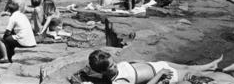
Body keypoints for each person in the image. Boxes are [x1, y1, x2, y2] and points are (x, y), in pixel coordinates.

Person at [88, 50, 223, 84]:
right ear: (104, 71)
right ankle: (213, 70)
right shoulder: (118, 82)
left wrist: (143, 61)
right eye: (112, 66)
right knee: (188, 72)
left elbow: (130, 63)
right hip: (162, 74)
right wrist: (160, 74)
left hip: (157, 65)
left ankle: (211, 66)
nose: (116, 65)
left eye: (114, 62)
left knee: (186, 66)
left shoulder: (116, 66)